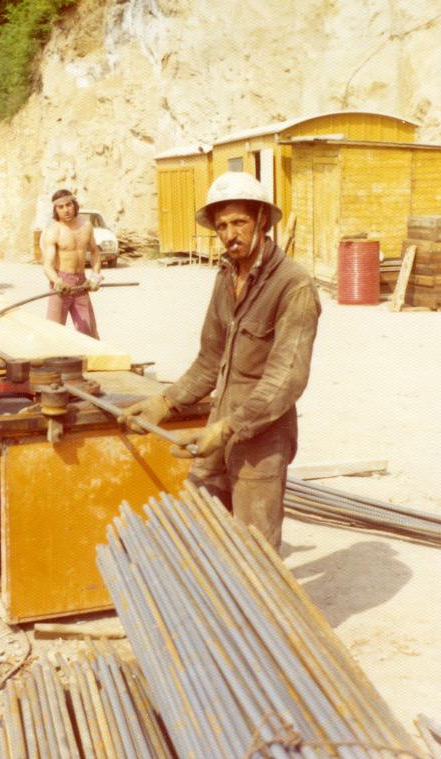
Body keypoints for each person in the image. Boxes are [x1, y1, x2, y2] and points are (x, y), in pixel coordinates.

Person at [119, 172, 321, 550]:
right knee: (198, 528)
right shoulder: (226, 275)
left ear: (262, 221)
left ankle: (260, 609)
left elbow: (285, 381)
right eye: (222, 226)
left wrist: (229, 428)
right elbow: (210, 360)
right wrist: (164, 402)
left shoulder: (294, 285)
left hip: (261, 435)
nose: (231, 234)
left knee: (253, 549)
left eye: (240, 222)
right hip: (219, 426)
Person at [41, 188, 102, 338]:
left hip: (81, 283)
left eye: (69, 205)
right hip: (61, 284)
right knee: (53, 332)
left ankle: (90, 360)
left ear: (74, 204)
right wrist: (57, 281)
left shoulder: (86, 225)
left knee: (88, 333)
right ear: (55, 209)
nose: (66, 210)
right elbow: (47, 265)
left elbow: (94, 252)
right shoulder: (53, 230)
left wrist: (95, 276)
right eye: (60, 207)